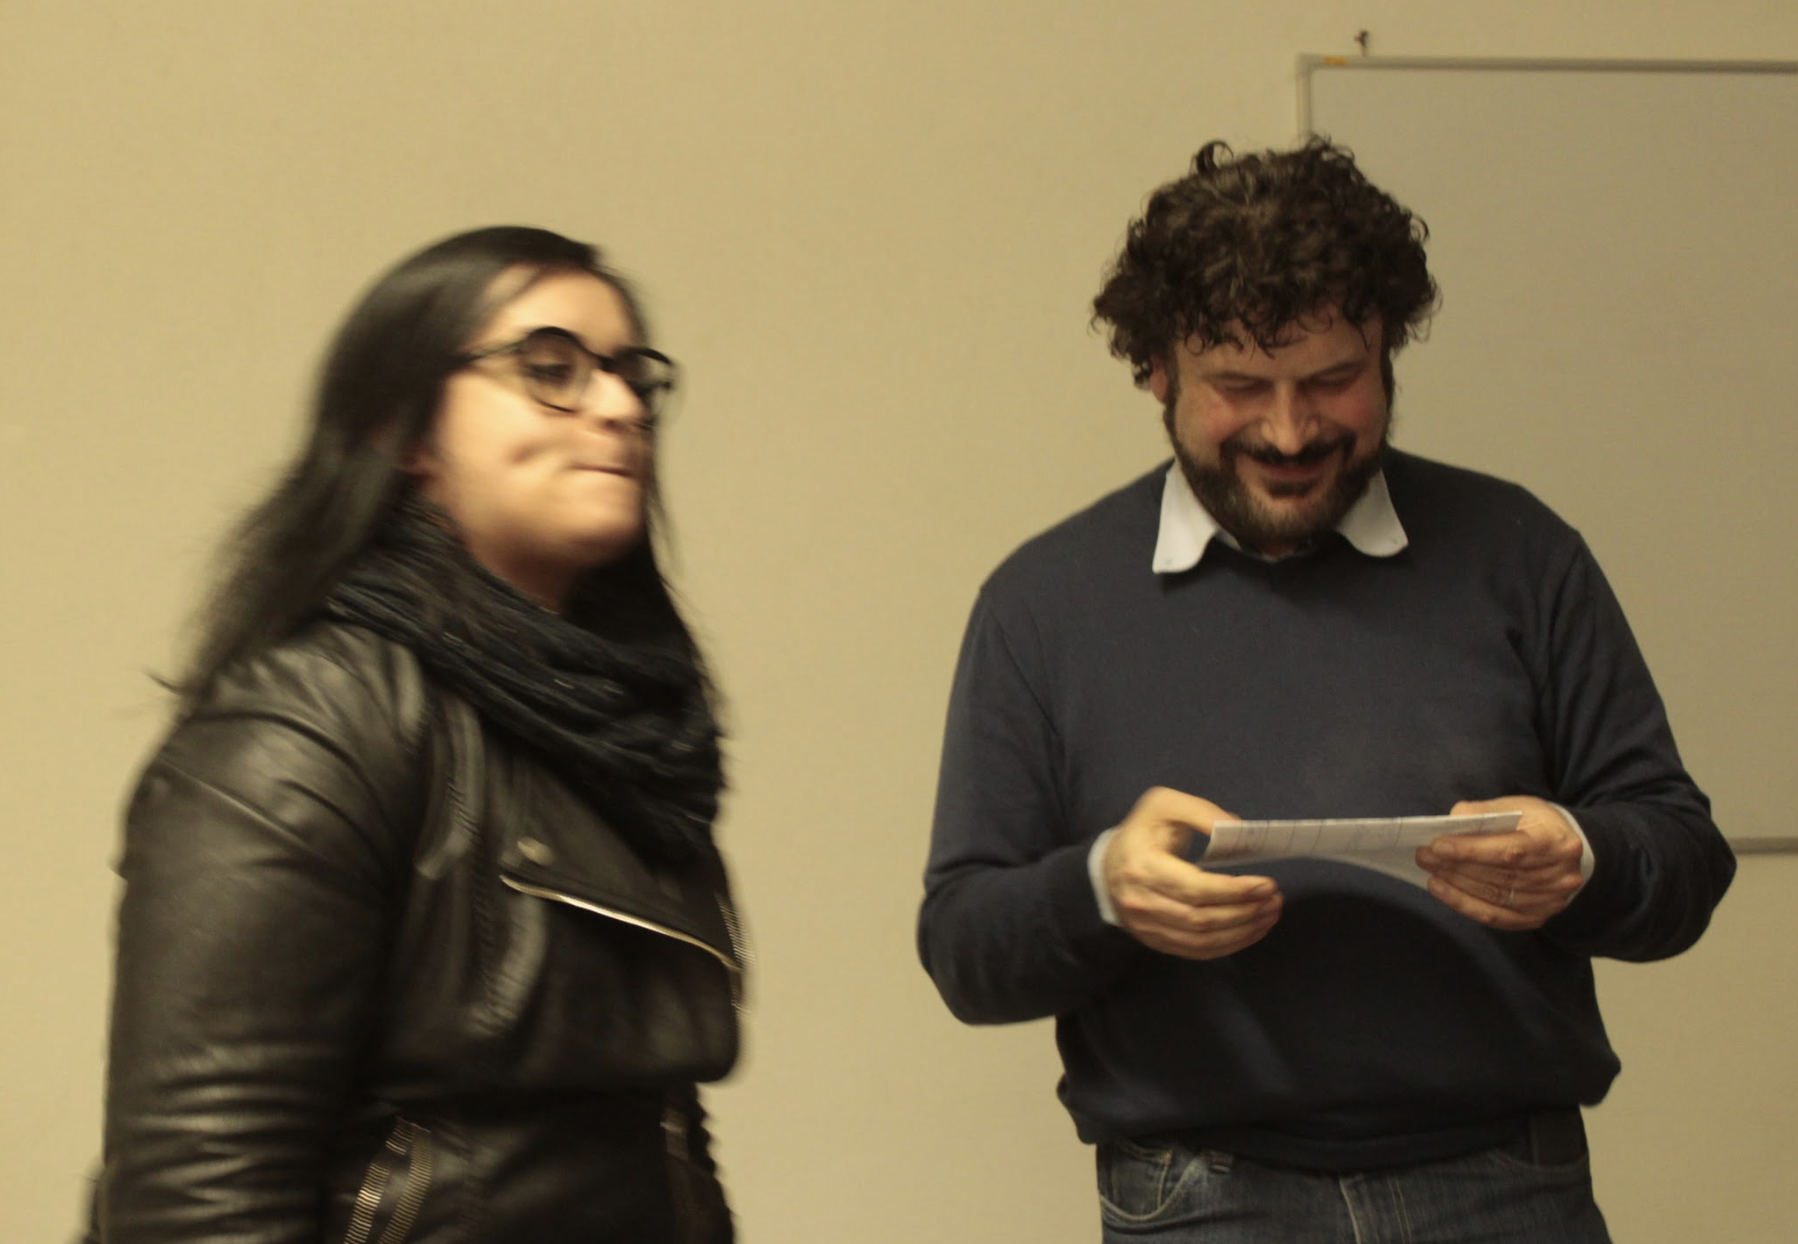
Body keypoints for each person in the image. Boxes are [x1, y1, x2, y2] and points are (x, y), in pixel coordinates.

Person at [917, 140, 1735, 1242]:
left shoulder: (1521, 554)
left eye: (1331, 380)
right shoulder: (1042, 604)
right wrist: (1102, 888)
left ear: (1388, 353)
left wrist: (1582, 858)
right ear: (1155, 371)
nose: (1291, 431)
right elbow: (965, 948)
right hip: (1196, 1198)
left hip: (1506, 1185)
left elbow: (1682, 860)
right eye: (1239, 387)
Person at [86, 227, 743, 1243]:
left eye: (630, 375)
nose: (617, 406)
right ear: (407, 432)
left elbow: (660, 1131)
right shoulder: (307, 724)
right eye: (551, 369)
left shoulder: (632, 734)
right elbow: (195, 1194)